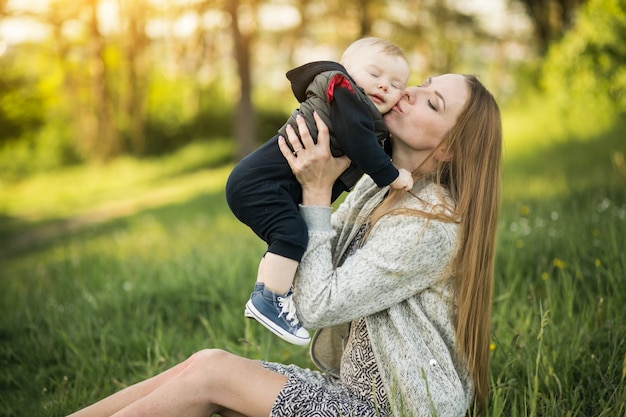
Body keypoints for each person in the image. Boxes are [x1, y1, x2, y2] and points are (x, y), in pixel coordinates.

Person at [67, 73, 502, 417]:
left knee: (213, 377)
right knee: (206, 362)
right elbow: (317, 260)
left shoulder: (431, 224)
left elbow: (317, 303)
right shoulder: (379, 190)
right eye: (424, 83)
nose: (409, 92)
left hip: (393, 410)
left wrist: (316, 191)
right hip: (351, 393)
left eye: (432, 102)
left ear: (448, 149)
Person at [226, 37, 413, 345]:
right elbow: (357, 139)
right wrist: (391, 176)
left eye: (395, 85)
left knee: (291, 235)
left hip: (265, 183)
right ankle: (268, 300)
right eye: (375, 74)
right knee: (291, 235)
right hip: (259, 183)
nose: (383, 86)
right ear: (348, 70)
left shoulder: (359, 108)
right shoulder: (344, 94)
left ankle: (271, 290)